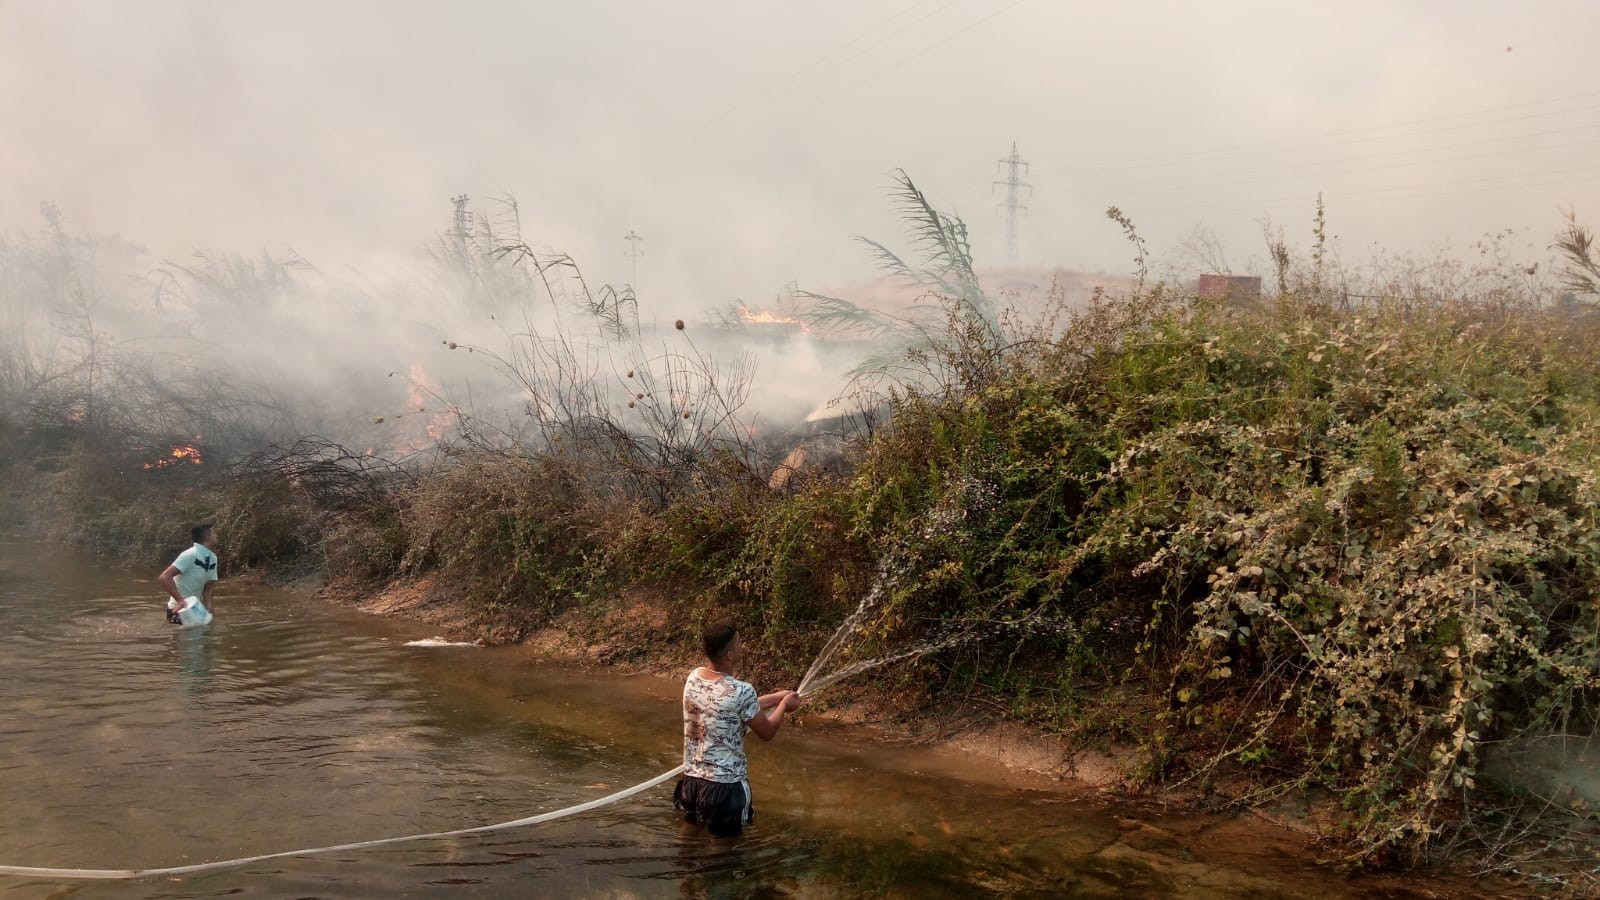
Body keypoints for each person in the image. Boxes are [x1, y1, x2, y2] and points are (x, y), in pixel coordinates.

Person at [673, 617, 801, 838]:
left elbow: (726, 708)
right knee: (724, 849)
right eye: (738, 643)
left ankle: (684, 871)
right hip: (725, 786)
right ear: (729, 655)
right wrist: (784, 706)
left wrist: (775, 699)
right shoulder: (742, 691)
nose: (742, 646)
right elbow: (767, 731)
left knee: (690, 831)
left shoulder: (694, 678)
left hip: (692, 782)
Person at [159, 524, 220, 624]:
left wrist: (209, 609)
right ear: (207, 537)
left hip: (197, 610)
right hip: (179, 610)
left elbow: (208, 589)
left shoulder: (213, 558)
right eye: (214, 533)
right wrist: (180, 600)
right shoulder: (190, 554)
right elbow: (164, 577)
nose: (216, 535)